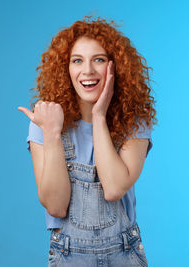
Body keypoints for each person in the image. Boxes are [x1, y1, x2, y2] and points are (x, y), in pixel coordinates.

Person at [18, 16, 156, 267]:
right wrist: (50, 134)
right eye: (77, 60)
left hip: (124, 254)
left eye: (99, 60)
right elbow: (56, 206)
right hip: (69, 255)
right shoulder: (45, 121)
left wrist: (99, 116)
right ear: (65, 68)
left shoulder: (133, 120)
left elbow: (114, 188)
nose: (88, 71)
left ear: (115, 67)